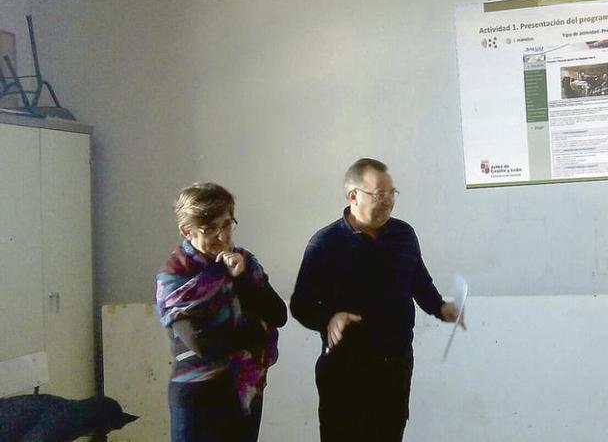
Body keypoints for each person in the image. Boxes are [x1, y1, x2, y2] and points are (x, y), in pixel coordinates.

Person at [289, 158, 464, 442]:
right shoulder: (325, 243)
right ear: (353, 196)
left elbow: (419, 281)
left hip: (395, 365)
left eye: (391, 193)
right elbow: (301, 304)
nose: (387, 202)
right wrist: (330, 318)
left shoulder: (403, 234)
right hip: (346, 372)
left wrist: (441, 308)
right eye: (379, 195)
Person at [155, 183, 287, 441]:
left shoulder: (243, 262)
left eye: (227, 224)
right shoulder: (175, 274)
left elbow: (278, 314)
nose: (222, 236)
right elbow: (203, 344)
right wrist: (257, 330)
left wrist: (241, 279)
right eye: (209, 229)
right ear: (186, 231)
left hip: (244, 392)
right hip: (197, 397)